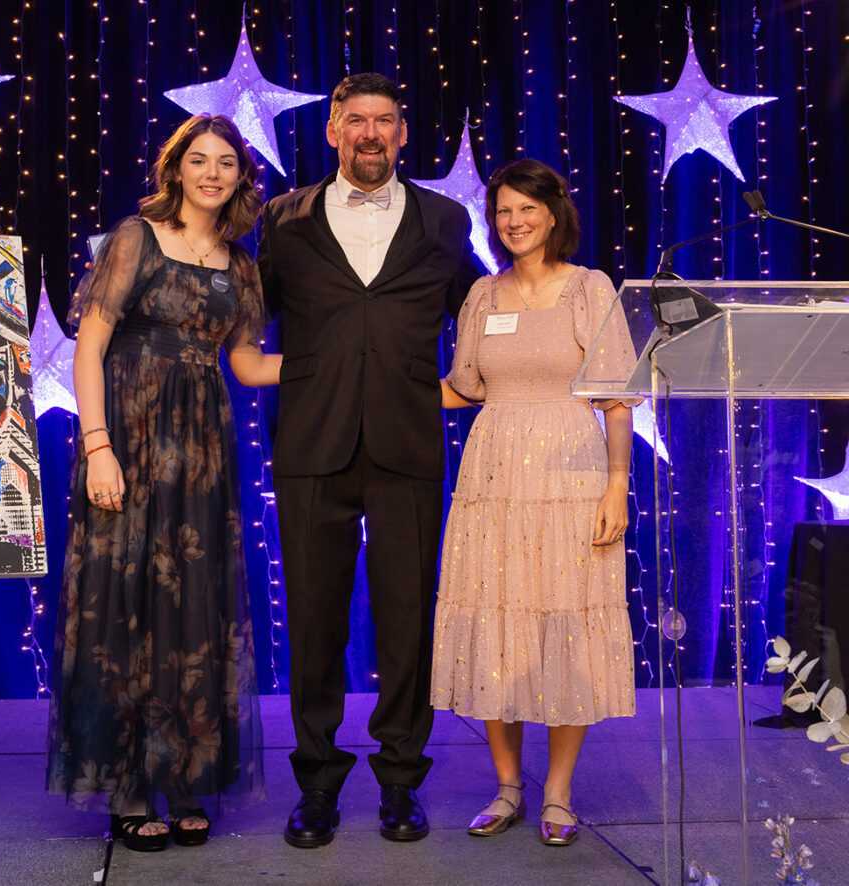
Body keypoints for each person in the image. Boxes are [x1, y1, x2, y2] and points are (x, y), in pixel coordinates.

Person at [46, 114, 281, 852]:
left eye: (226, 164)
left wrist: (337, 365)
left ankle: (179, 775)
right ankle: (125, 784)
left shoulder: (242, 265)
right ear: (176, 168)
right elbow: (90, 349)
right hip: (127, 442)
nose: (213, 173)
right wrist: (98, 447)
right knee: (124, 610)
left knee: (192, 612)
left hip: (202, 458)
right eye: (199, 160)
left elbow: (245, 364)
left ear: (241, 177)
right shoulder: (134, 238)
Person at [257, 72, 479, 848]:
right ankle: (316, 784)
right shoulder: (281, 220)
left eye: (386, 119)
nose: (372, 133)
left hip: (407, 448)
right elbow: (243, 315)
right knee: (314, 623)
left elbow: (480, 316)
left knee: (405, 621)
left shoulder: (447, 220)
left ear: (404, 132)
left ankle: (400, 782)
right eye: (357, 120)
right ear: (332, 132)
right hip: (311, 447)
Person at [431, 158, 638, 847]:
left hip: (572, 474)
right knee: (495, 615)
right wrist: (375, 384)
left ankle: (558, 793)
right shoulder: (482, 297)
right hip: (493, 477)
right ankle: (507, 787)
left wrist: (617, 485)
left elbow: (615, 396)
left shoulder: (590, 288)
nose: (514, 221)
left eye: (527, 208)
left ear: (554, 214)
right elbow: (464, 385)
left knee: (566, 620)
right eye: (503, 212)